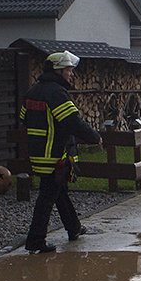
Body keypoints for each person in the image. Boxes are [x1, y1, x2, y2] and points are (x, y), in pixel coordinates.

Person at [20, 51, 103, 254]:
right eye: (68, 70)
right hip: (54, 155)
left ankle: (74, 228)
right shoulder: (57, 93)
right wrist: (95, 137)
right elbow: (72, 122)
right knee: (47, 197)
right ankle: (35, 240)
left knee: (59, 191)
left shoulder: (33, 91)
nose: (71, 74)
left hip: (38, 153)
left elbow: (23, 118)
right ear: (58, 71)